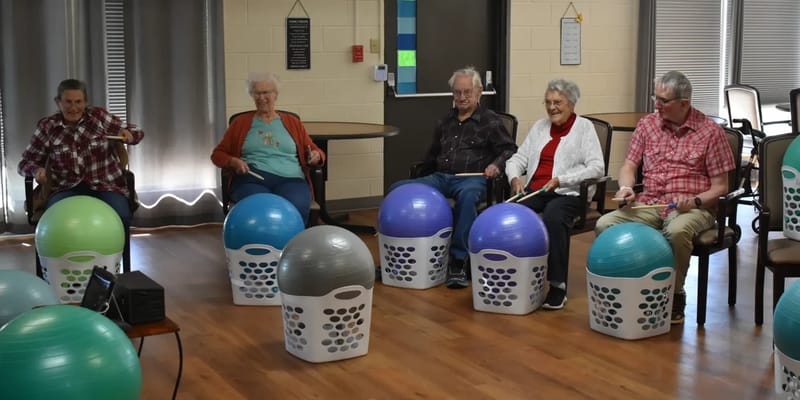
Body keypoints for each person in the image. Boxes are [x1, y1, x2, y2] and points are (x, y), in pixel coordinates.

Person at [594, 70, 735, 324]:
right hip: (650, 202)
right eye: (655, 98)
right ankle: (623, 288)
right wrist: (626, 188)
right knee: (605, 224)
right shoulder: (647, 125)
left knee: (678, 231)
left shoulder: (710, 132)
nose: (657, 106)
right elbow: (629, 165)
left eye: (663, 101)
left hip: (692, 208)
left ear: (684, 103)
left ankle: (674, 294)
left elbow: (721, 187)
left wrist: (695, 201)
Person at [387, 66, 517, 289]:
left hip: (471, 179)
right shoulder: (445, 121)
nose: (462, 97)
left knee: (467, 197)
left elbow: (510, 150)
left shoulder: (490, 121)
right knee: (398, 189)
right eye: (457, 92)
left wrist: (496, 165)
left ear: (478, 93)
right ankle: (399, 257)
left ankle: (458, 260)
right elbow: (432, 156)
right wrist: (418, 179)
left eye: (467, 92)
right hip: (440, 177)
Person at [505, 79, 604, 310]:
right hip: (536, 189)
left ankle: (557, 285)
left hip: (568, 193)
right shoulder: (540, 127)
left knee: (553, 217)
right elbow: (518, 158)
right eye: (548, 102)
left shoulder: (584, 128)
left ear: (571, 103)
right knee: (511, 214)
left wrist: (563, 179)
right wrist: (515, 177)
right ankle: (516, 275)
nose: (552, 108)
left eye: (558, 102)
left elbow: (597, 167)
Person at [18, 78, 143, 241]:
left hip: (105, 185)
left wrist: (129, 135)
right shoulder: (48, 127)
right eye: (68, 102)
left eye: (78, 102)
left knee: (122, 216)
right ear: (58, 103)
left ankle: (112, 260)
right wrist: (36, 170)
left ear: (86, 103)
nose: (74, 107)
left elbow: (136, 132)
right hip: (64, 188)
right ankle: (62, 262)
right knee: (58, 222)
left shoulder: (99, 118)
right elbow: (25, 163)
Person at [211, 72, 325, 223]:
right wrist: (233, 162)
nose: (261, 97)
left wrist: (316, 155)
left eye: (265, 92)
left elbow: (315, 150)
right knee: (259, 209)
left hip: (291, 179)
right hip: (252, 178)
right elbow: (217, 155)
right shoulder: (240, 123)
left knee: (295, 206)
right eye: (256, 93)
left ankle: (293, 244)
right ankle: (260, 245)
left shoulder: (293, 122)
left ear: (275, 94)